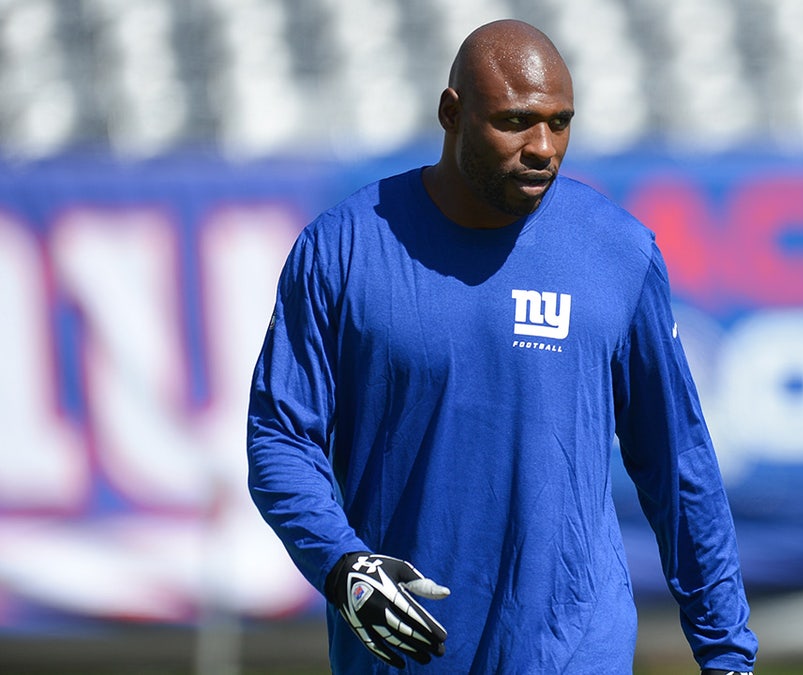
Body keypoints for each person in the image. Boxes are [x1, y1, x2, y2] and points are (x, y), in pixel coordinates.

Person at [246, 18, 758, 675]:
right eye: (516, 121)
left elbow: (679, 461)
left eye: (560, 121)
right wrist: (342, 561)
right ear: (451, 113)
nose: (543, 146)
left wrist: (727, 653)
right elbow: (280, 435)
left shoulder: (619, 252)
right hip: (408, 654)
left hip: (575, 650)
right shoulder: (343, 249)